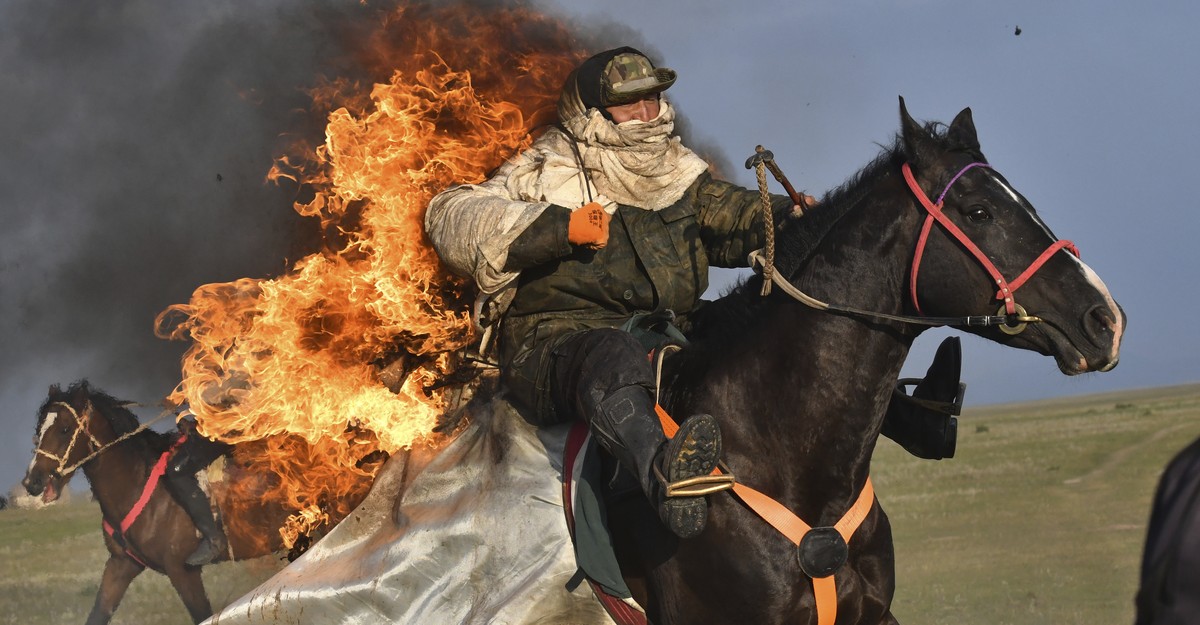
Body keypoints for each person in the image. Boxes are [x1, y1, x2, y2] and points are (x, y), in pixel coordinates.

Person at [424, 46, 961, 539]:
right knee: (612, 354)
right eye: (629, 103)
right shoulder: (543, 171)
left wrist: (790, 218)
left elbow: (731, 216)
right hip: (556, 345)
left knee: (767, 327)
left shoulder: (673, 171)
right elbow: (452, 217)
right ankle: (666, 476)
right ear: (591, 113)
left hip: (667, 330)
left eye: (652, 98)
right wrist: (558, 227)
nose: (646, 113)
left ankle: (913, 421)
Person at [163, 408, 234, 566]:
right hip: (219, 423)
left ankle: (213, 540)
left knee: (177, 472)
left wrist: (195, 426)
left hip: (224, 428)